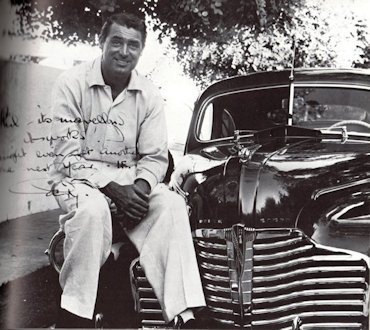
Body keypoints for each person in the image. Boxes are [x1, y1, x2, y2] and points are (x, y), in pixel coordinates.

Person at [49, 12, 205, 328]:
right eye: (116, 41)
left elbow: (154, 158)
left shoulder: (148, 94)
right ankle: (75, 315)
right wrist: (115, 191)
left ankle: (183, 315)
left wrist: (140, 192)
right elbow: (66, 156)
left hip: (129, 180)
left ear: (141, 50)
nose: (124, 51)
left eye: (133, 45)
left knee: (171, 204)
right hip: (76, 179)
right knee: (92, 212)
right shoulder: (71, 83)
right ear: (101, 43)